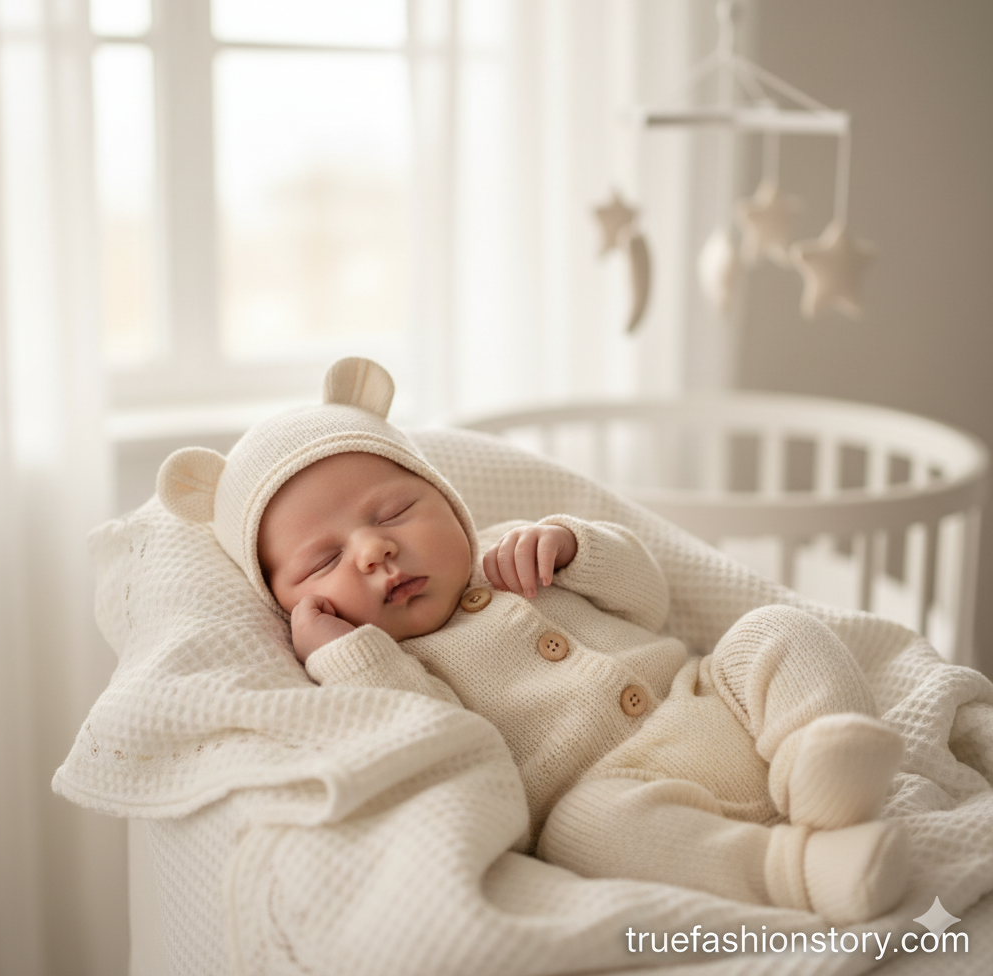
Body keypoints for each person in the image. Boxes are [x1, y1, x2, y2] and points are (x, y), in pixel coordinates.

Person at [157, 357, 907, 926]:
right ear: (294, 604)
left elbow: (648, 603)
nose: (372, 553)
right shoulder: (388, 663)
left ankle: (822, 754)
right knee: (585, 834)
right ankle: (801, 870)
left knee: (772, 632)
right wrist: (347, 656)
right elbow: (432, 745)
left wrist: (577, 547)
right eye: (324, 561)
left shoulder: (516, 554)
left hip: (709, 699)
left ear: (450, 507)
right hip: (618, 790)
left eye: (394, 511)